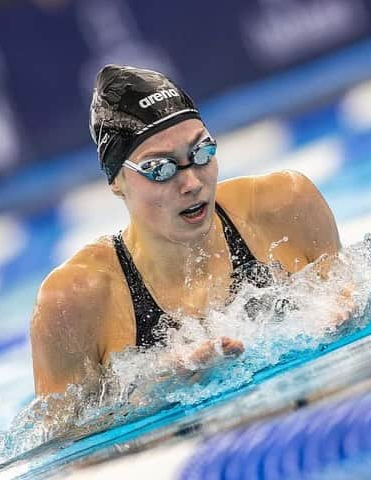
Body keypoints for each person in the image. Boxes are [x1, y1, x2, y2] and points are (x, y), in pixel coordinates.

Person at [31, 65, 342, 396]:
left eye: (201, 152)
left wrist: (347, 311)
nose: (192, 183)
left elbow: (355, 296)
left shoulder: (286, 205)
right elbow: (61, 439)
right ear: (117, 182)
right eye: (160, 169)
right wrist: (154, 390)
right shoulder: (76, 299)